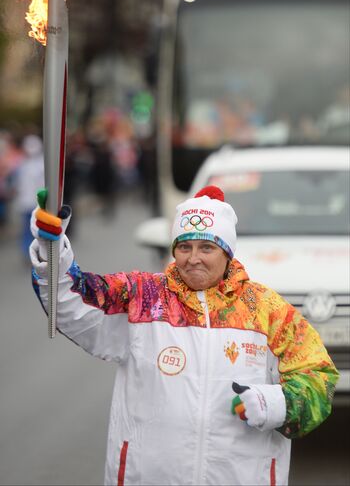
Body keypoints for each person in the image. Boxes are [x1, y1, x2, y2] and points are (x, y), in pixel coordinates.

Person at [29, 185, 338, 486]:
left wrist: (276, 403)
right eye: (184, 246)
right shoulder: (141, 297)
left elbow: (317, 375)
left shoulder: (267, 310)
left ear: (227, 252)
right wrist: (52, 252)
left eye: (207, 247)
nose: (194, 258)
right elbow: (71, 298)